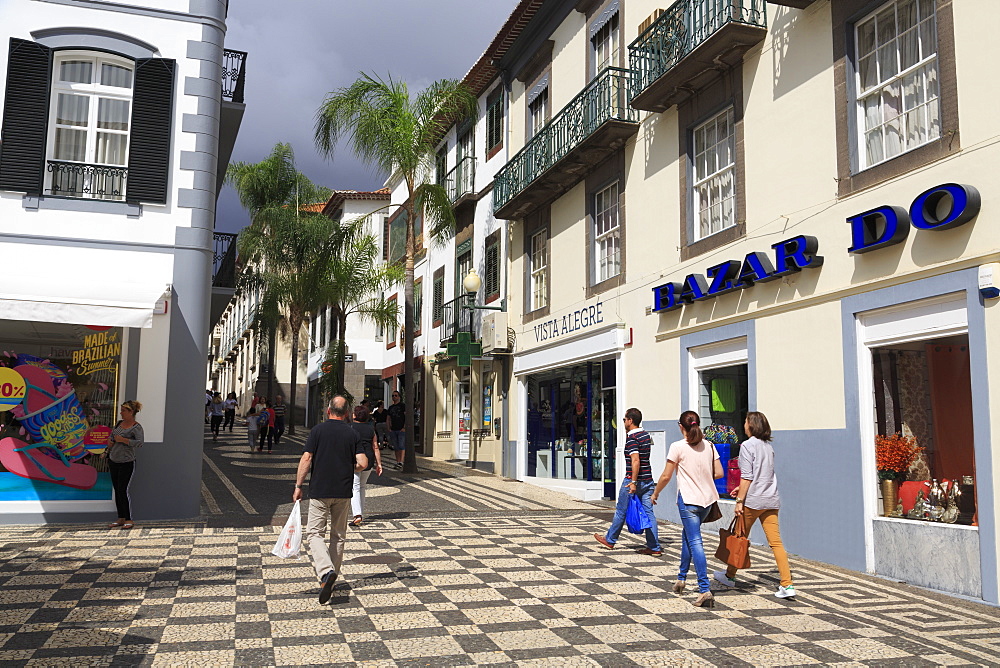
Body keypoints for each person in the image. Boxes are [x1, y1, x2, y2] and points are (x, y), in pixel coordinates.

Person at [293, 395, 368, 604]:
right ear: (346, 413)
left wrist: (298, 486)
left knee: (314, 533)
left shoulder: (317, 431)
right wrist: (349, 467)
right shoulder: (351, 434)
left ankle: (326, 571)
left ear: (328, 411)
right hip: (343, 491)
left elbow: (307, 458)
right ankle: (330, 581)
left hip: (320, 490)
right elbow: (363, 462)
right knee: (338, 535)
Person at [714, 411, 796, 599]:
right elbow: (762, 475)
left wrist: (740, 500)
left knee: (739, 538)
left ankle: (729, 576)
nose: (743, 424)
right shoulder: (768, 447)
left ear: (751, 425)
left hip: (752, 501)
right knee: (776, 543)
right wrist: (741, 491)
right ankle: (787, 584)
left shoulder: (747, 446)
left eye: (745, 421)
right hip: (770, 499)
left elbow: (747, 476)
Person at [651, 410, 724, 608]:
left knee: (695, 541)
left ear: (681, 427)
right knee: (688, 536)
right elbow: (719, 473)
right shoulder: (709, 445)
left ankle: (704, 589)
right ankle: (681, 578)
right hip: (707, 502)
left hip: (689, 501)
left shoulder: (677, 447)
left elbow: (666, 476)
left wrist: (655, 493)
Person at [594, 407, 661, 556]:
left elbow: (635, 461)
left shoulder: (632, 439)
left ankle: (610, 540)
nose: (623, 422)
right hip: (648, 479)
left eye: (624, 419)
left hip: (633, 480)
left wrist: (633, 482)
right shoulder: (645, 435)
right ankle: (654, 546)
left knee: (621, 511)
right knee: (649, 513)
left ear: (630, 421)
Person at [107, 400, 144, 530]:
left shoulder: (136, 427)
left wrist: (123, 440)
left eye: (123, 410)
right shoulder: (118, 424)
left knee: (123, 490)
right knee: (117, 490)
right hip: (114, 460)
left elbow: (139, 443)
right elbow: (112, 437)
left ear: (131, 412)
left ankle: (129, 518)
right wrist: (110, 443)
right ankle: (121, 517)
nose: (121, 413)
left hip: (127, 462)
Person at [349, 404, 383, 526]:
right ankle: (360, 513)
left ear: (354, 415)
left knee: (355, 487)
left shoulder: (350, 427)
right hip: (369, 459)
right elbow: (376, 447)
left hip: (355, 459)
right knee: (362, 487)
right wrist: (379, 464)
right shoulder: (370, 429)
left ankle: (357, 515)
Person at [386, 391, 406, 469]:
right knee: (396, 447)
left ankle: (401, 461)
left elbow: (406, 416)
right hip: (393, 429)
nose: (394, 397)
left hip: (401, 429)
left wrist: (404, 427)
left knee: (401, 445)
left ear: (399, 397)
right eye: (393, 395)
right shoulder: (390, 407)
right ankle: (398, 461)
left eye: (396, 395)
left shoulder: (403, 406)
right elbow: (388, 418)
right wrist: (388, 428)